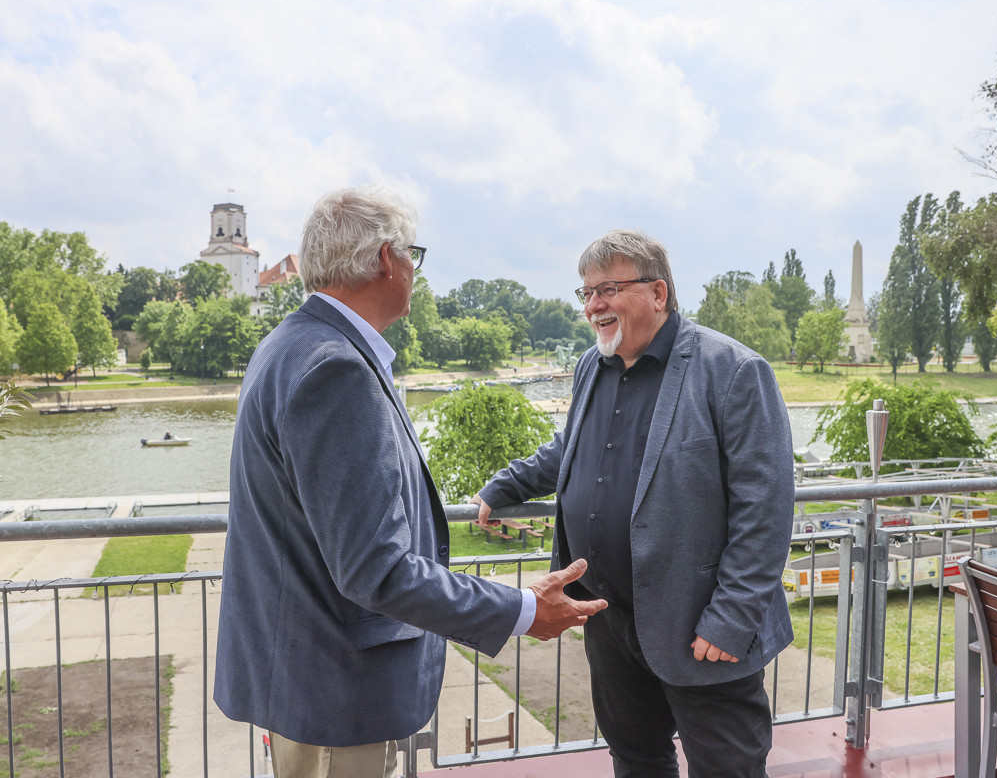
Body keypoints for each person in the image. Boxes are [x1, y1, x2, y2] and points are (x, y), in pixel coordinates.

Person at [214, 186, 606, 778]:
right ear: (385, 260)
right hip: (335, 699)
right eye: (412, 255)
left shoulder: (290, 344)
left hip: (307, 681)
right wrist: (524, 610)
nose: (415, 272)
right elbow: (377, 568)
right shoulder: (336, 368)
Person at [474, 229, 794, 777]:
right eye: (586, 293)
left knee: (728, 769)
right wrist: (506, 484)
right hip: (610, 621)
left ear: (658, 293)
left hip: (701, 626)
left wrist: (732, 617)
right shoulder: (592, 365)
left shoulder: (733, 370)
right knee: (636, 760)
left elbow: (764, 508)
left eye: (609, 289)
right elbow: (571, 448)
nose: (593, 305)